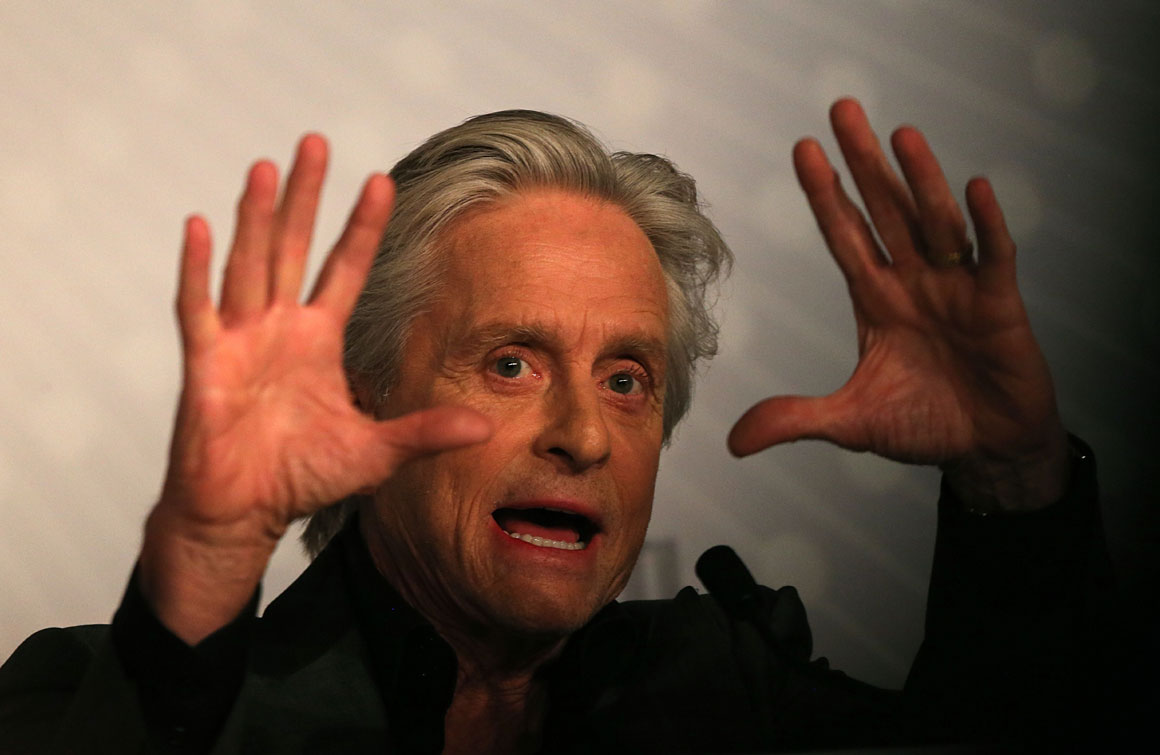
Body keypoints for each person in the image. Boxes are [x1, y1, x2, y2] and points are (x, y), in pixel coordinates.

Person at [0, 99, 1107, 753]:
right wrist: (204, 554)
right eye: (511, 363)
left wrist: (1011, 477)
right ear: (361, 394)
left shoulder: (729, 692)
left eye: (626, 378)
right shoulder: (97, 697)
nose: (582, 433)